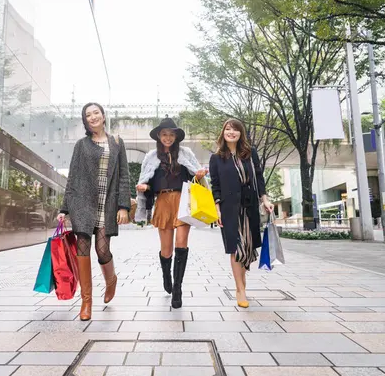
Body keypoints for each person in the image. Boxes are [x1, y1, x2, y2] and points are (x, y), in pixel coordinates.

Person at [57, 103, 131, 321]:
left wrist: (123, 206)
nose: (92, 117)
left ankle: (111, 281)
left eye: (96, 113)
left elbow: (124, 176)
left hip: (106, 204)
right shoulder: (81, 145)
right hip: (82, 203)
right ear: (85, 120)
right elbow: (73, 176)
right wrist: (64, 208)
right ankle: (86, 301)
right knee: (82, 248)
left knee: (102, 250)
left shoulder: (117, 142)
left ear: (103, 115)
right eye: (88, 115)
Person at [135, 117, 207, 308]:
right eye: (164, 134)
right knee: (166, 250)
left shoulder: (186, 153)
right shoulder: (151, 157)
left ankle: (177, 289)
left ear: (176, 136)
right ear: (159, 136)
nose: (168, 138)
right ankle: (167, 276)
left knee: (181, 244)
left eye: (171, 134)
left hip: (184, 201)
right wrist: (144, 187)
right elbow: (148, 183)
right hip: (163, 202)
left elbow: (196, 177)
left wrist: (199, 175)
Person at [209, 119, 273, 308]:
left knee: (247, 247)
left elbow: (259, 177)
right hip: (229, 209)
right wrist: (217, 209)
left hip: (249, 206)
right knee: (236, 249)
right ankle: (240, 289)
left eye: (235, 130)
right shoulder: (217, 157)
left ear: (241, 133)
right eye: (228, 129)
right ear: (223, 133)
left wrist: (265, 199)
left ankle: (241, 282)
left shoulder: (250, 153)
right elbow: (216, 186)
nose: (231, 132)